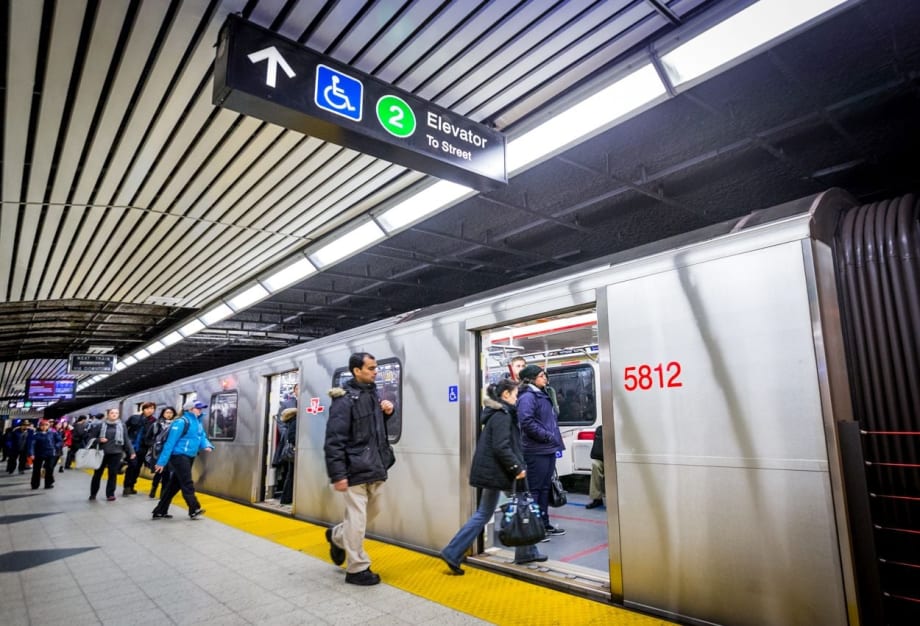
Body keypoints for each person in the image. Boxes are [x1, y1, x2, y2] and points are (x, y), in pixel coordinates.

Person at [440, 378, 529, 574]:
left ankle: (453, 551)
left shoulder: (497, 413)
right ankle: (526, 551)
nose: (517, 399)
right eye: (515, 395)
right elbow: (501, 446)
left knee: (486, 513)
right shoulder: (502, 415)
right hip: (499, 471)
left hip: (494, 471)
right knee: (521, 505)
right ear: (505, 395)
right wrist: (516, 467)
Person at [324, 352, 396, 586]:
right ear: (357, 370)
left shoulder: (372, 395)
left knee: (373, 513)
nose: (375, 371)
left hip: (376, 464)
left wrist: (387, 413)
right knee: (357, 518)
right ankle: (357, 568)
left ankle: (336, 536)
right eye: (371, 368)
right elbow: (334, 440)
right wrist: (338, 474)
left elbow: (371, 431)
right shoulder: (344, 400)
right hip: (355, 467)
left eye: (375, 368)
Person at [516, 364, 565, 541]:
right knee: (535, 490)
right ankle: (534, 528)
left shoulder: (541, 394)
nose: (545, 378)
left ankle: (544, 523)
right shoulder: (528, 397)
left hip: (547, 448)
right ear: (531, 379)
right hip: (536, 449)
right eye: (542, 375)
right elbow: (526, 422)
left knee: (545, 488)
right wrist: (546, 436)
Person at [151, 401, 213, 520]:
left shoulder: (198, 422)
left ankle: (160, 510)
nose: (200, 410)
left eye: (201, 408)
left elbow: (201, 436)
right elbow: (170, 443)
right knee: (187, 482)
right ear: (189, 409)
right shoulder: (180, 422)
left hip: (190, 456)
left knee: (174, 486)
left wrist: (207, 445)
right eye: (198, 408)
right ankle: (194, 508)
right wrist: (161, 462)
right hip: (179, 456)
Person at [87, 408, 136, 501]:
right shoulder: (100, 425)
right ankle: (93, 493)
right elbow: (90, 438)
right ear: (108, 414)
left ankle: (110, 494)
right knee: (97, 474)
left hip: (116, 453)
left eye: (116, 413)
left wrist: (131, 452)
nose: (114, 414)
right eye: (112, 413)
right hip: (101, 453)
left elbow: (126, 439)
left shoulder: (122, 425)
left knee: (113, 474)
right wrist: (99, 440)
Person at [122, 402, 156, 495]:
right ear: (143, 409)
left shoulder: (154, 421)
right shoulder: (134, 418)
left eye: (152, 408)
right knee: (132, 466)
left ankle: (131, 486)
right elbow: (124, 427)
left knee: (137, 467)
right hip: (132, 447)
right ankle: (127, 486)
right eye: (148, 408)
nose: (150, 410)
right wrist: (125, 441)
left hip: (143, 448)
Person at [145, 406, 177, 499]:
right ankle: (154, 488)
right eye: (167, 412)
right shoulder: (156, 425)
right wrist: (154, 444)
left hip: (170, 452)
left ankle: (163, 493)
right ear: (163, 413)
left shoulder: (176, 425)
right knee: (159, 472)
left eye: (171, 412)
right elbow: (147, 438)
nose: (169, 414)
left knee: (167, 473)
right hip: (158, 453)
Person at [28, 419, 62, 490]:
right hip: (38, 454)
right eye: (42, 425)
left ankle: (48, 484)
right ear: (39, 426)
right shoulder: (36, 434)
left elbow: (59, 441)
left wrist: (56, 446)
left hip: (50, 453)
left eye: (46, 425)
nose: (44, 427)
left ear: (49, 426)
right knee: (36, 469)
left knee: (49, 468)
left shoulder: (53, 433)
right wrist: (31, 453)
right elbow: (32, 445)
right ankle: (35, 484)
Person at [277, 407, 297, 505]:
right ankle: (286, 498)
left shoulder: (289, 423)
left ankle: (286, 498)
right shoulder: (295, 423)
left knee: (291, 475)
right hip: (294, 453)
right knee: (291, 475)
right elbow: (293, 437)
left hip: (291, 453)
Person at [585, 424, 605, 509]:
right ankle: (597, 498)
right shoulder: (601, 429)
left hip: (616, 458)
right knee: (595, 465)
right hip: (603, 458)